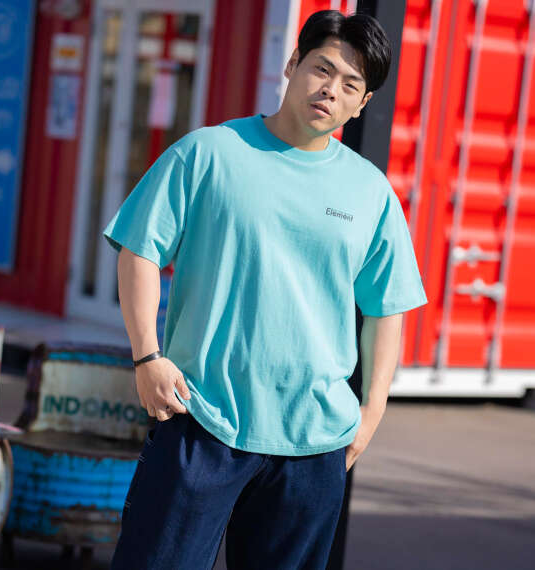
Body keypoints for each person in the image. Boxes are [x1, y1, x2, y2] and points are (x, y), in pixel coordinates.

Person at [103, 9, 428, 570]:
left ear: (363, 103)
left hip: (314, 441)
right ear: (292, 63)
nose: (330, 90)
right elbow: (140, 249)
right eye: (322, 68)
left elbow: (386, 307)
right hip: (200, 418)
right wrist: (147, 357)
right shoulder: (208, 152)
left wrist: (371, 411)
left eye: (350, 84)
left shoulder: (370, 192)